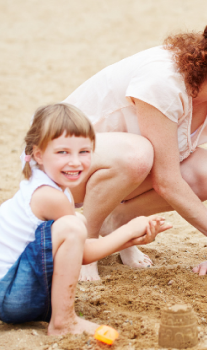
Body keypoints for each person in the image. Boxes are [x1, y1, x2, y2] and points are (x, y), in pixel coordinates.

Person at [63, 4, 207, 281]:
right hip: (63, 165)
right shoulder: (165, 79)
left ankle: (118, 225)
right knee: (139, 154)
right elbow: (165, 180)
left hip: (117, 172)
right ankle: (87, 243)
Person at [0, 103, 171, 335]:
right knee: (74, 226)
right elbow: (84, 254)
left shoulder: (47, 182)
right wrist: (128, 230)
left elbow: (78, 247)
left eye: (84, 151)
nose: (75, 162)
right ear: (38, 154)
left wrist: (132, 239)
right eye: (63, 152)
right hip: (11, 295)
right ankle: (63, 322)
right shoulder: (49, 196)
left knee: (78, 224)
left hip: (13, 287)